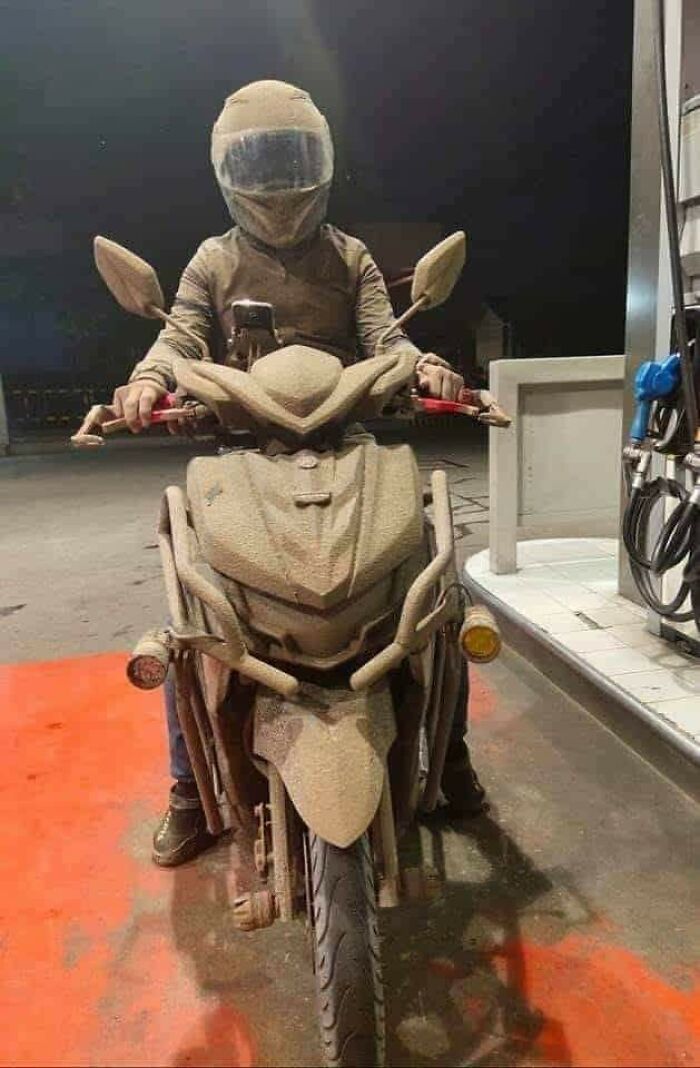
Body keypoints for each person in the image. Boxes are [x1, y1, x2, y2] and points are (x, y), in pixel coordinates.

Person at [112, 80, 486, 866]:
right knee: (195, 619)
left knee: (437, 596)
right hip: (246, 456)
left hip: (350, 444)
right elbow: (178, 336)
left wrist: (427, 367)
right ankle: (188, 792)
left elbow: (388, 337)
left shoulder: (349, 257)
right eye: (259, 163)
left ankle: (450, 758)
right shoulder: (213, 261)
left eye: (290, 161)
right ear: (228, 172)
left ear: (322, 164)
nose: (277, 183)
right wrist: (149, 379)